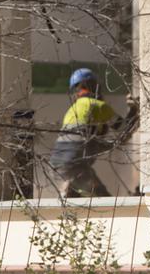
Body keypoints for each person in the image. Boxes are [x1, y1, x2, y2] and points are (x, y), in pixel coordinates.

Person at [49, 67, 138, 198]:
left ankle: (69, 193)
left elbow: (84, 143)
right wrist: (134, 111)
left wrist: (111, 144)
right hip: (76, 167)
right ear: (94, 86)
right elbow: (124, 130)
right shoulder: (98, 105)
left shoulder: (72, 110)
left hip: (56, 168)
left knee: (76, 206)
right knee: (104, 202)